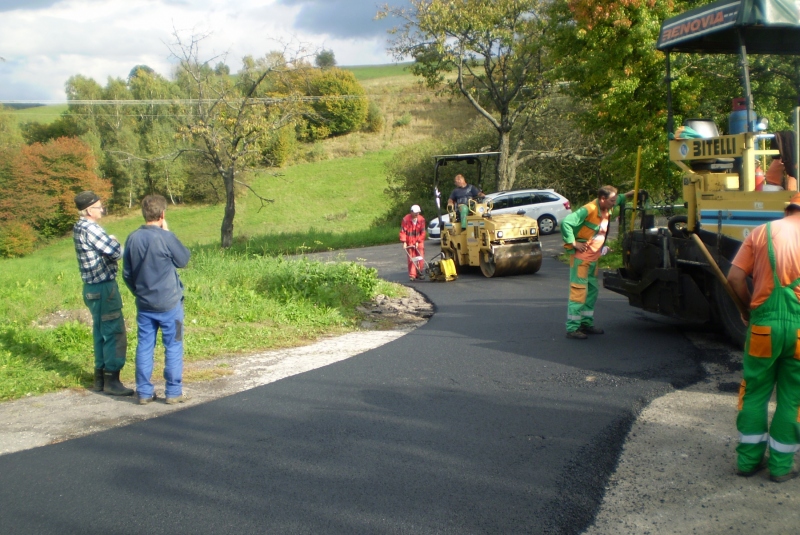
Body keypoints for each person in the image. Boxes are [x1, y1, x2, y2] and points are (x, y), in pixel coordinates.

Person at [727, 192, 800, 483]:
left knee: (755, 392)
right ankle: (781, 467)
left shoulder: (762, 232)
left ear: (788, 209)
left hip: (763, 328)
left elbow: (734, 278)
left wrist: (747, 310)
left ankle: (747, 462)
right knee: (793, 397)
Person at [123, 195, 191, 405]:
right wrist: (168, 232)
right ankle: (173, 391)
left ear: (144, 214)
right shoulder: (165, 237)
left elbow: (127, 273)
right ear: (162, 215)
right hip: (171, 305)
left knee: (144, 346)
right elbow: (184, 260)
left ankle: (143, 392)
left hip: (145, 305)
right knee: (174, 344)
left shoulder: (132, 238)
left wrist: (138, 293)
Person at [72, 190, 134, 396]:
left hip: (90, 288)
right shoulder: (91, 228)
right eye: (99, 206)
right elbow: (117, 252)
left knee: (100, 332)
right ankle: (112, 380)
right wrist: (114, 240)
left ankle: (99, 378)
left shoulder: (79, 227)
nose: (102, 209)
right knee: (114, 332)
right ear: (89, 210)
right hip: (104, 287)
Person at [561, 185, 636, 339]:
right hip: (581, 260)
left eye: (615, 200)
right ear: (602, 199)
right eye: (612, 200)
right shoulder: (588, 209)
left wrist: (629, 195)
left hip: (593, 259)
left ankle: (586, 324)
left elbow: (620, 197)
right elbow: (566, 223)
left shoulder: (607, 206)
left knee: (592, 292)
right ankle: (572, 328)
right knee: (579, 292)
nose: (614, 203)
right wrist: (574, 243)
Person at [400, 204, 426, 281]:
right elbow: (402, 231)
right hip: (410, 241)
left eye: (418, 212)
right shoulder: (405, 219)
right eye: (415, 213)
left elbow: (423, 232)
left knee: (420, 258)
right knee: (411, 258)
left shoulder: (421, 220)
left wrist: (419, 241)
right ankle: (412, 275)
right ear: (411, 212)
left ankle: (419, 272)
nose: (416, 214)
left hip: (419, 241)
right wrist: (404, 242)